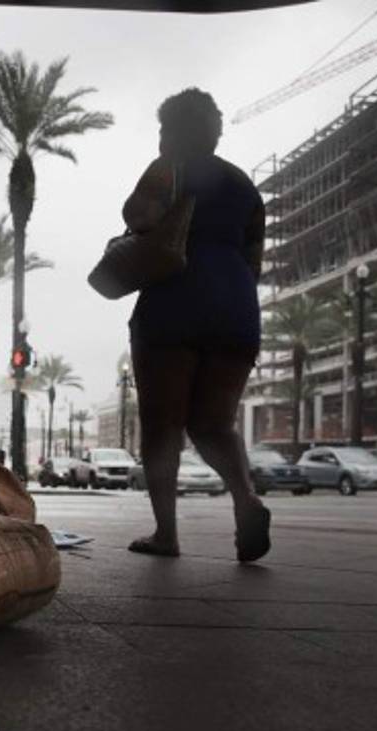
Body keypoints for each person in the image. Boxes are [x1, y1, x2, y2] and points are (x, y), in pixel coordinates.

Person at [122, 88, 270, 562]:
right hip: (236, 309)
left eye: (165, 128)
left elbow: (137, 215)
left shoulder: (170, 166)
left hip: (175, 302)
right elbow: (254, 261)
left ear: (174, 130)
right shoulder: (245, 186)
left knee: (162, 426)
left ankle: (166, 534)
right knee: (213, 423)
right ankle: (246, 499)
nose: (161, 135)